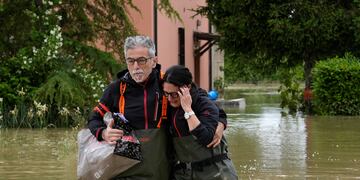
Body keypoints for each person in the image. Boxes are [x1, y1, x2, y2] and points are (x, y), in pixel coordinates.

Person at [87, 35, 226, 180]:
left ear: (154, 61)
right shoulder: (116, 89)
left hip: (164, 170)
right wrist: (103, 133)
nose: (136, 67)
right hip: (126, 170)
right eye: (131, 61)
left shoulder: (168, 83)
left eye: (142, 60)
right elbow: (94, 118)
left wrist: (221, 123)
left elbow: (206, 103)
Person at [162, 65, 238, 180]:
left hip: (216, 172)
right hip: (185, 173)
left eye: (174, 94)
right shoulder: (169, 104)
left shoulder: (203, 103)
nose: (170, 99)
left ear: (186, 88)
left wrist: (188, 110)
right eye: (166, 93)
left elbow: (206, 138)